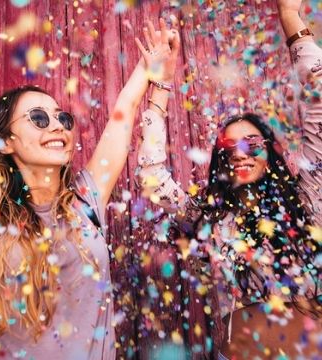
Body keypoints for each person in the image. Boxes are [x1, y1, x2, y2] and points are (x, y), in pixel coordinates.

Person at [0, 19, 180, 359]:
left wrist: (153, 72)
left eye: (62, 119)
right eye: (38, 118)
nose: (58, 127)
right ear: (6, 142)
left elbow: (124, 113)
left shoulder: (86, 200)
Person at [137, 1, 321, 358]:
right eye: (228, 146)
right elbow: (153, 177)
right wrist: (159, 86)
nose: (239, 153)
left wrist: (290, 18)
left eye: (252, 144)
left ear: (270, 151)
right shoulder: (210, 217)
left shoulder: (308, 197)